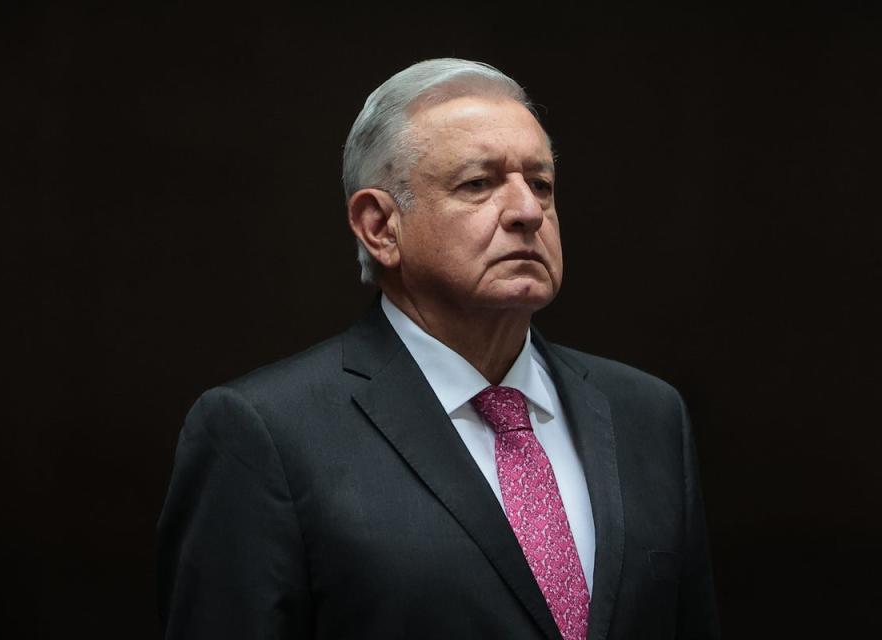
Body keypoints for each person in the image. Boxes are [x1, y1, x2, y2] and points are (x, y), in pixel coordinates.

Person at [157, 58, 721, 640]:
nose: (528, 211)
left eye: (542, 183)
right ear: (379, 225)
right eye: (478, 184)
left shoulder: (647, 416)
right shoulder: (264, 433)